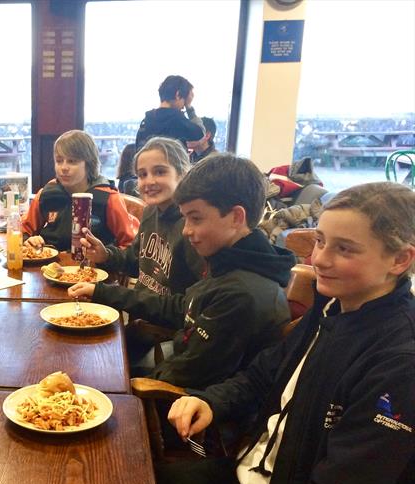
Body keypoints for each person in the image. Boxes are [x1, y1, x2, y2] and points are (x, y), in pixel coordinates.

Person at [159, 181, 415, 484]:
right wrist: (210, 399)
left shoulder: (399, 360)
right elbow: (264, 373)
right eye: (319, 241)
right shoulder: (333, 305)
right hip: (254, 477)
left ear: (400, 260)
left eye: (344, 249)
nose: (319, 260)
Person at [69, 153, 295, 388]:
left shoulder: (241, 294)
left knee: (90, 373)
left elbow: (188, 374)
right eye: (185, 219)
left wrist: (121, 387)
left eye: (195, 219)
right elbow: (182, 308)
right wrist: (101, 292)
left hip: (186, 404)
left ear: (236, 217)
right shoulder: (227, 261)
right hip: (175, 362)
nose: (186, 230)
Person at [73, 137, 205, 367]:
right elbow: (136, 261)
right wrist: (107, 255)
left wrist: (105, 293)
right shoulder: (151, 212)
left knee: (94, 364)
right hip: (138, 325)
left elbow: (187, 308)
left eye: (160, 172)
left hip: (164, 337)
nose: (149, 181)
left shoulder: (192, 229)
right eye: (142, 174)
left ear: (183, 174)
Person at [22, 130, 138, 252]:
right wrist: (28, 240)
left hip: (95, 267)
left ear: (89, 164)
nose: (64, 168)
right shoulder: (46, 193)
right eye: (59, 160)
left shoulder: (108, 197)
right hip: (49, 266)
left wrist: (107, 256)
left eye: (72, 161)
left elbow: (131, 246)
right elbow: (23, 230)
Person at [135, 75, 205, 151]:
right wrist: (189, 107)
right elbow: (200, 134)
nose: (183, 107)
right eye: (184, 101)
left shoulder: (147, 120)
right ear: (177, 95)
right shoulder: (177, 119)